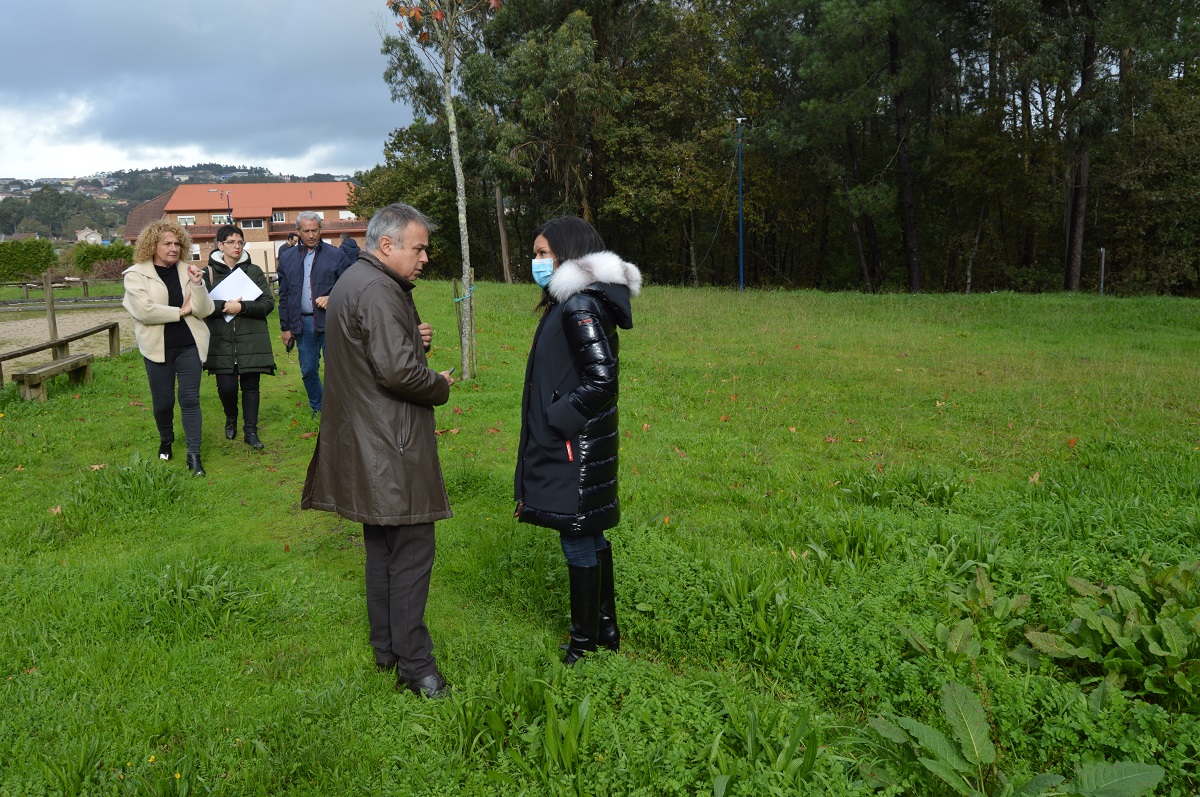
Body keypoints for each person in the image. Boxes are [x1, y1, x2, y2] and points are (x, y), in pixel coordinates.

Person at [301, 203, 455, 698]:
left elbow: (372, 351)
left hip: (365, 442)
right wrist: (439, 383)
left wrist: (413, 337)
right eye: (419, 247)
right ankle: (417, 668)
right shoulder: (380, 289)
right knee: (410, 555)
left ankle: (386, 651)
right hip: (392, 446)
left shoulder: (353, 281)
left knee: (382, 552)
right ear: (386, 245)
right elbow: (398, 373)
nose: (425, 257)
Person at [514, 216, 641, 665]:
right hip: (581, 444)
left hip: (574, 448)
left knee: (577, 536)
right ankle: (605, 629)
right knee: (591, 533)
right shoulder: (573, 302)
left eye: (544, 254)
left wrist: (557, 418)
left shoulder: (578, 306)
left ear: (568, 254)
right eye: (535, 254)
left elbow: (603, 377)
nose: (537, 262)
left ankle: (584, 644)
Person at [122, 220, 215, 477]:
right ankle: (166, 438)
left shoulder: (189, 271)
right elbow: (144, 311)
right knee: (163, 403)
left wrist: (197, 286)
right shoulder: (135, 275)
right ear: (152, 245)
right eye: (167, 243)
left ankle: (194, 455)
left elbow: (206, 310)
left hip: (189, 346)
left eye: (177, 244)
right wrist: (181, 311)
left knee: (190, 399)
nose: (173, 248)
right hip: (157, 348)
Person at [202, 225, 277, 450]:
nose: (237, 246)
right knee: (226, 388)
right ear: (220, 245)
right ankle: (231, 417)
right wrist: (224, 306)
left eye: (240, 242)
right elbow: (201, 305)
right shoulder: (209, 273)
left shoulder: (253, 271)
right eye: (232, 242)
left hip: (251, 340)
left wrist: (242, 307)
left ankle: (250, 431)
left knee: (251, 386)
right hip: (221, 341)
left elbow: (268, 303)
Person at [277, 212, 349, 417]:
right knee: (308, 370)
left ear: (320, 230)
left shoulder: (336, 255)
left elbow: (351, 287)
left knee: (336, 369)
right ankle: (319, 407)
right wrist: (285, 327)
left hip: (331, 322)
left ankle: (338, 408)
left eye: (314, 230)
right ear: (298, 231)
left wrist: (332, 297)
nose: (310, 235)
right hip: (302, 324)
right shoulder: (287, 257)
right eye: (306, 231)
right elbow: (284, 295)